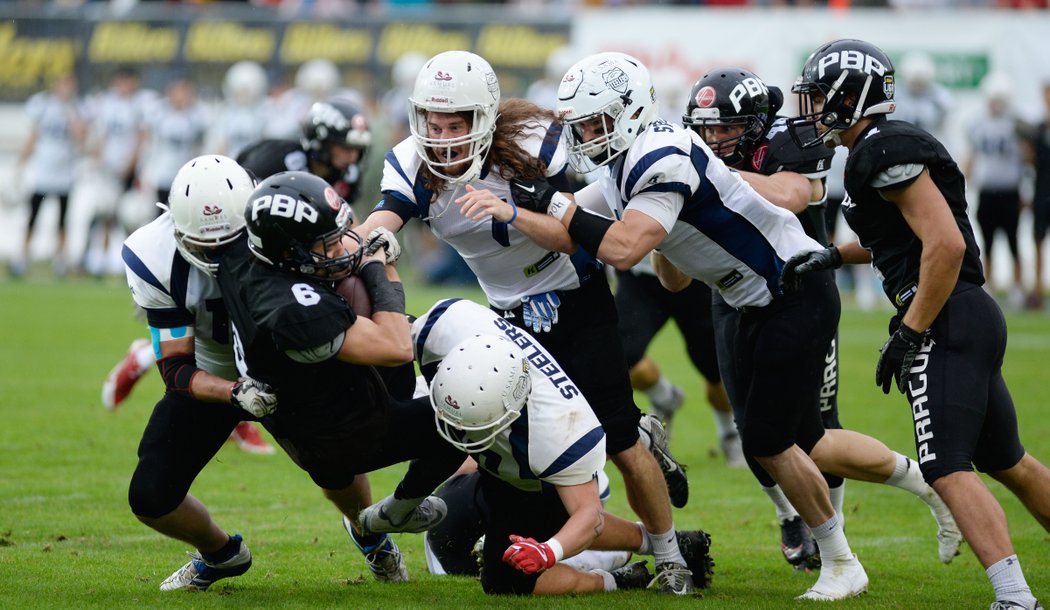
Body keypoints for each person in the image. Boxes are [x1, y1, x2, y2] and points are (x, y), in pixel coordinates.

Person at [514, 50, 882, 601]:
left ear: (630, 111)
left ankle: (841, 559)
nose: (587, 135)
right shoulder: (627, 159)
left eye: (596, 122)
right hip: (751, 300)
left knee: (770, 438)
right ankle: (896, 502)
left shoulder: (661, 153)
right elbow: (580, 234)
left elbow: (618, 247)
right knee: (787, 438)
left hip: (792, 289)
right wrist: (511, 212)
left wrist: (558, 205)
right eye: (581, 125)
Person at [354, 50, 696, 594]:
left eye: (454, 125)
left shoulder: (540, 144)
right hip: (508, 316)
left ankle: (673, 556)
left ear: (484, 118)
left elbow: (579, 233)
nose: (440, 138)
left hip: (574, 296)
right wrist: (374, 238)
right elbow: (383, 217)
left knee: (621, 439)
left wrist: (512, 212)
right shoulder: (412, 162)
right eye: (432, 124)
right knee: (504, 439)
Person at [784, 38, 1050, 610]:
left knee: (946, 466)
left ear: (849, 99)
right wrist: (835, 255)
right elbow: (898, 239)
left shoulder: (880, 148)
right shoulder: (874, 148)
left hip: (947, 315)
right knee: (1009, 461)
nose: (809, 110)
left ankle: (1015, 598)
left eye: (817, 98)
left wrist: (910, 330)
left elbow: (946, 245)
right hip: (965, 314)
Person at [681, 66, 960, 574]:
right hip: (735, 295)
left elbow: (795, 195)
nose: (715, 138)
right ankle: (793, 515)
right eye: (707, 129)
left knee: (815, 429)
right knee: (754, 429)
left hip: (798, 293)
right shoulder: (699, 154)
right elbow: (674, 277)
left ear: (757, 123)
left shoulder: (790, 138)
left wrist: (701, 171)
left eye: (726, 127)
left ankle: (852, 528)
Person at [216, 170, 466, 586]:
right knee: (464, 419)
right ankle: (401, 508)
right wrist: (378, 267)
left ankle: (368, 534)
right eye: (324, 242)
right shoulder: (292, 307)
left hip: (302, 411)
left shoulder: (244, 255)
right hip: (342, 432)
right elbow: (396, 345)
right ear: (287, 252)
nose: (338, 247)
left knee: (338, 479)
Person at [384, 297, 713, 596]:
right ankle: (650, 549)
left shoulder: (560, 433)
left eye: (473, 425)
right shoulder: (445, 329)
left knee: (512, 575)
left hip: (547, 469)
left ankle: (630, 566)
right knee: (457, 522)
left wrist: (548, 551)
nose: (461, 434)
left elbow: (588, 515)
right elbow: (390, 337)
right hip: (504, 465)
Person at [123, 154, 282, 591]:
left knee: (341, 463)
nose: (217, 254)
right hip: (212, 374)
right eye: (203, 243)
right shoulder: (152, 254)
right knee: (151, 496)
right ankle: (221, 555)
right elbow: (175, 368)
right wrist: (234, 392)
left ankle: (371, 536)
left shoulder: (282, 216)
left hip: (291, 365)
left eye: (227, 240)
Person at [614, 258, 743, 467]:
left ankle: (729, 432)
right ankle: (665, 398)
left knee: (716, 368)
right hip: (642, 277)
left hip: (696, 276)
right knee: (618, 358)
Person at [963, 74, 1027, 309]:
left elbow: (1026, 158)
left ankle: (1017, 288)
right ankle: (988, 285)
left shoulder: (1017, 124)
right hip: (988, 192)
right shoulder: (977, 124)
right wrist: (964, 185)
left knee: (1013, 243)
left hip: (1011, 191)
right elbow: (971, 157)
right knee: (987, 244)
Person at [13, 73, 86, 278]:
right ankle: (22, 258)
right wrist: (21, 162)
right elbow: (34, 135)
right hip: (44, 172)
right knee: (33, 216)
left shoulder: (77, 108)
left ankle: (60, 260)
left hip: (65, 174)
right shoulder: (43, 105)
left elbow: (81, 137)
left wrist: (70, 112)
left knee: (62, 219)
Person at [237, 97, 371, 207]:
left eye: (358, 149)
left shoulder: (349, 175)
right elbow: (239, 200)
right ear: (321, 142)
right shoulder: (275, 159)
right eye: (346, 148)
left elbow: (345, 222)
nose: (353, 156)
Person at [1021, 80, 1050, 310]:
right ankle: (1037, 290)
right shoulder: (1039, 129)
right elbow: (1032, 163)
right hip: (1042, 193)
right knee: (1038, 241)